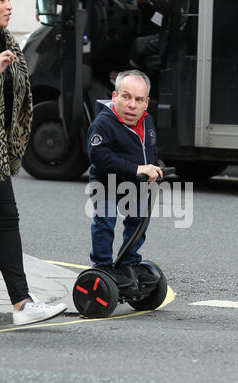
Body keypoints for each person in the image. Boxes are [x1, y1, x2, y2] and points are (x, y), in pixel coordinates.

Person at [0, 0, 67, 325]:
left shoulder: (6, 42)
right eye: (2, 0)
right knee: (6, 219)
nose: (9, 6)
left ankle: (22, 303)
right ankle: (22, 303)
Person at [88, 69, 163, 296]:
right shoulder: (103, 123)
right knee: (105, 222)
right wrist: (136, 169)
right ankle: (102, 267)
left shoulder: (147, 121)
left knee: (139, 221)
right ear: (114, 96)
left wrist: (153, 168)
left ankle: (128, 262)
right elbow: (99, 157)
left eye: (139, 99)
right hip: (107, 183)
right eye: (126, 97)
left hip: (136, 184)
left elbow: (149, 150)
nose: (132, 105)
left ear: (146, 103)